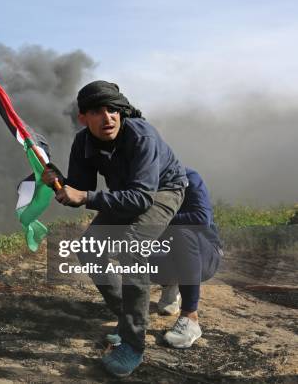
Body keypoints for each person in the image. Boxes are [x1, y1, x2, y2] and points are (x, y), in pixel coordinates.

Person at [42, 80, 188, 377]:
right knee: (87, 249)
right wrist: (58, 183)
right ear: (83, 117)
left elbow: (142, 198)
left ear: (122, 112)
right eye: (97, 111)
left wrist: (83, 196)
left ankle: (133, 345)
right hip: (128, 194)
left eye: (113, 110)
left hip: (163, 189)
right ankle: (128, 315)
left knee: (132, 247)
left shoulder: (141, 135)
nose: (107, 117)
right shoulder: (83, 142)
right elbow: (80, 191)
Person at [151, 168, 223, 348]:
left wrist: (158, 220)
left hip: (204, 256)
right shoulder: (141, 181)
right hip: (170, 253)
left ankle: (190, 317)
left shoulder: (189, 177)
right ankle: (170, 284)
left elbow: (201, 218)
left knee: (180, 231)